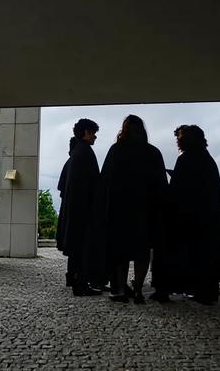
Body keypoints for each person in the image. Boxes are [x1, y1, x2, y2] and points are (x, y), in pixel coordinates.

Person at [155, 125, 220, 305]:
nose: (178, 140)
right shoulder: (207, 159)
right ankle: (208, 290)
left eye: (181, 137)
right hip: (208, 218)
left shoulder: (186, 160)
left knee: (196, 255)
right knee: (207, 255)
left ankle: (200, 291)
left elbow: (179, 190)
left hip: (191, 219)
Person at [100, 115, 168, 304]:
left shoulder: (116, 151)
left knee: (120, 252)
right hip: (145, 211)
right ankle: (138, 288)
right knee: (142, 252)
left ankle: (121, 290)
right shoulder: (153, 153)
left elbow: (105, 182)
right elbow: (162, 186)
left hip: (120, 211)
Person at [61, 118, 103, 296]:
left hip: (75, 207)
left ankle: (75, 279)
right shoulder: (86, 151)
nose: (95, 137)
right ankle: (81, 284)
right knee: (84, 247)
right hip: (84, 208)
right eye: (93, 133)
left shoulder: (76, 153)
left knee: (76, 246)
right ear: (86, 132)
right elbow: (93, 182)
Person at [56, 137, 77, 286]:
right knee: (76, 247)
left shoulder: (69, 163)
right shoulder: (75, 161)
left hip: (67, 209)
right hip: (73, 210)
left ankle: (71, 275)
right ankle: (74, 276)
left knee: (73, 248)